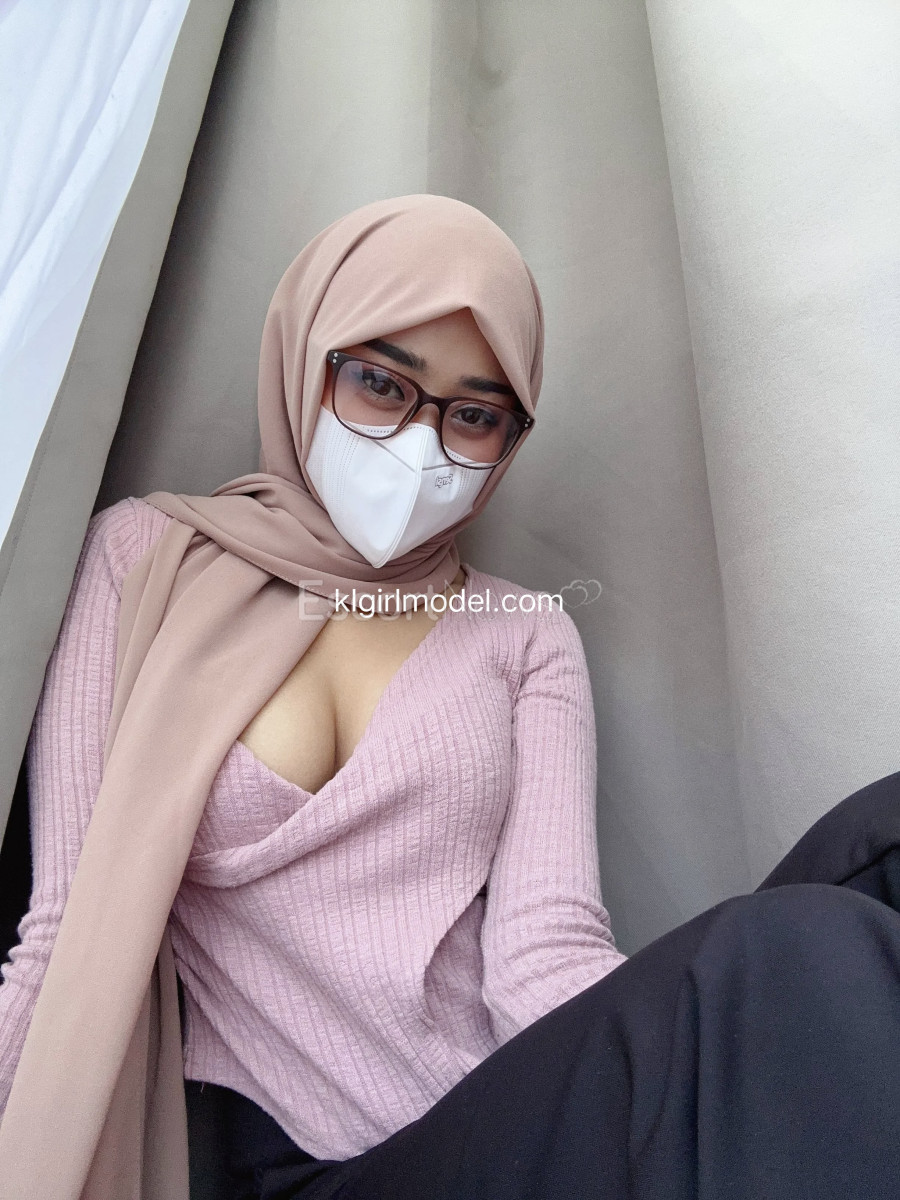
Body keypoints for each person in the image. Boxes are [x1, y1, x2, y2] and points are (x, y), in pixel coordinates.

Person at [0, 195, 899, 1200]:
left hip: (510, 1114)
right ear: (309, 357)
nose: (419, 443)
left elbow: (542, 955)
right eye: (382, 383)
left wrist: (674, 1065)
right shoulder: (145, 561)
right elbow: (62, 930)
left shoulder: (525, 632)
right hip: (316, 1169)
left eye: (473, 415)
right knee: (793, 952)